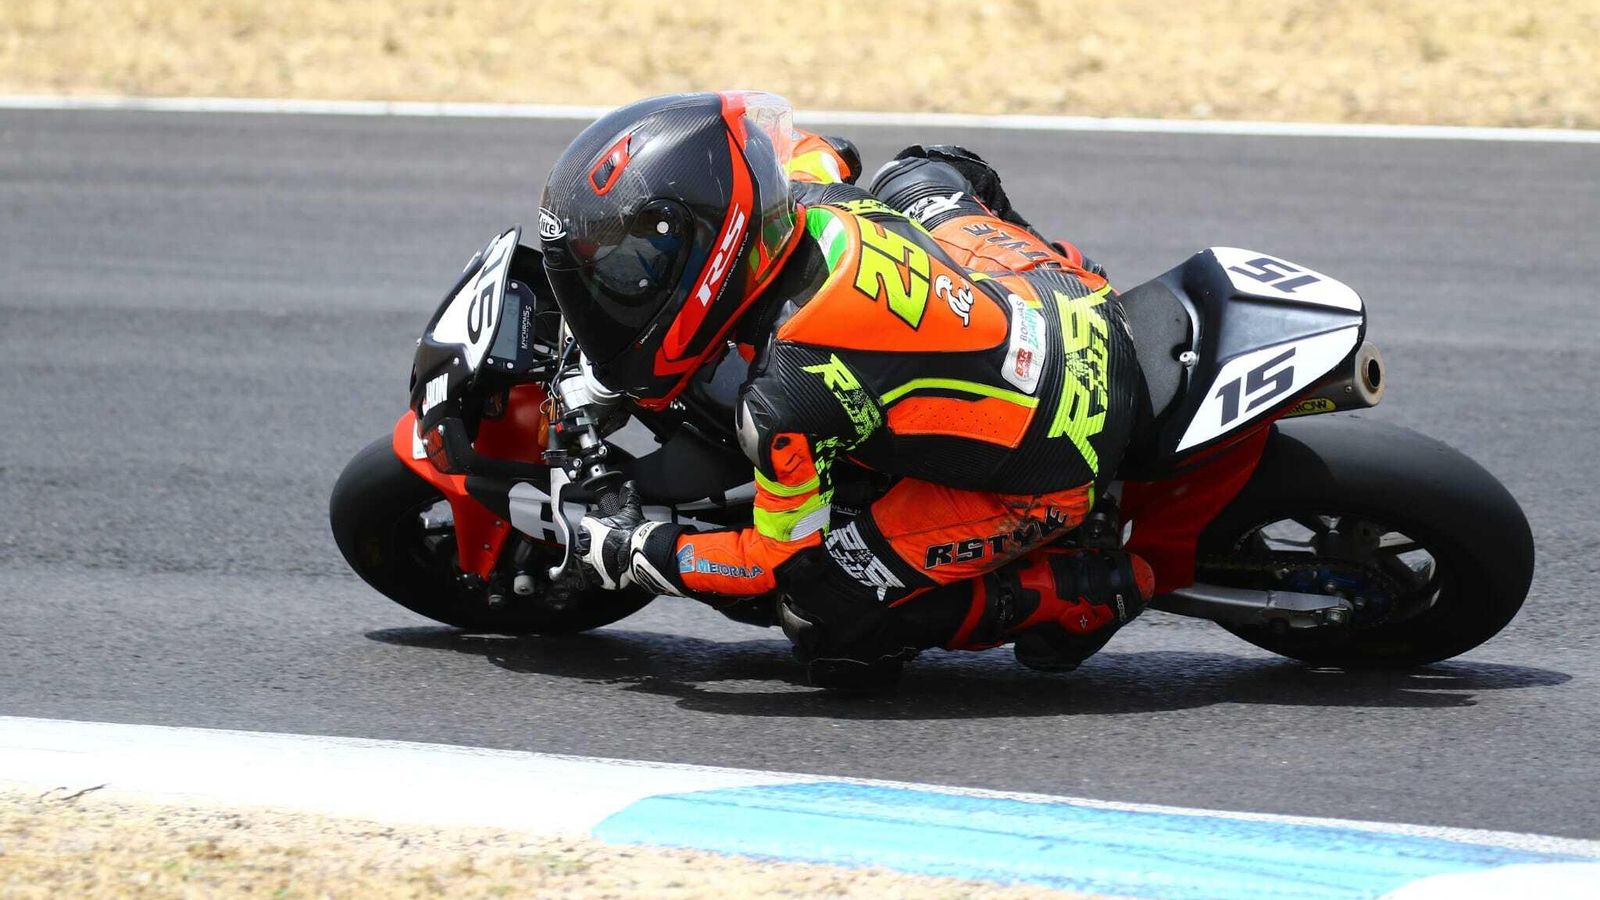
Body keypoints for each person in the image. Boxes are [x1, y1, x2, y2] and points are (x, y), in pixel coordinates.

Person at [539, 91, 1153, 690]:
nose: (624, 273)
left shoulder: (784, 398)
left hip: (1064, 450)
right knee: (921, 172)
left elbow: (769, 560)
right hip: (1065, 300)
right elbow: (825, 151)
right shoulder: (807, 193)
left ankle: (1077, 596)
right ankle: (1053, 254)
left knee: (823, 608)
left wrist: (640, 548)